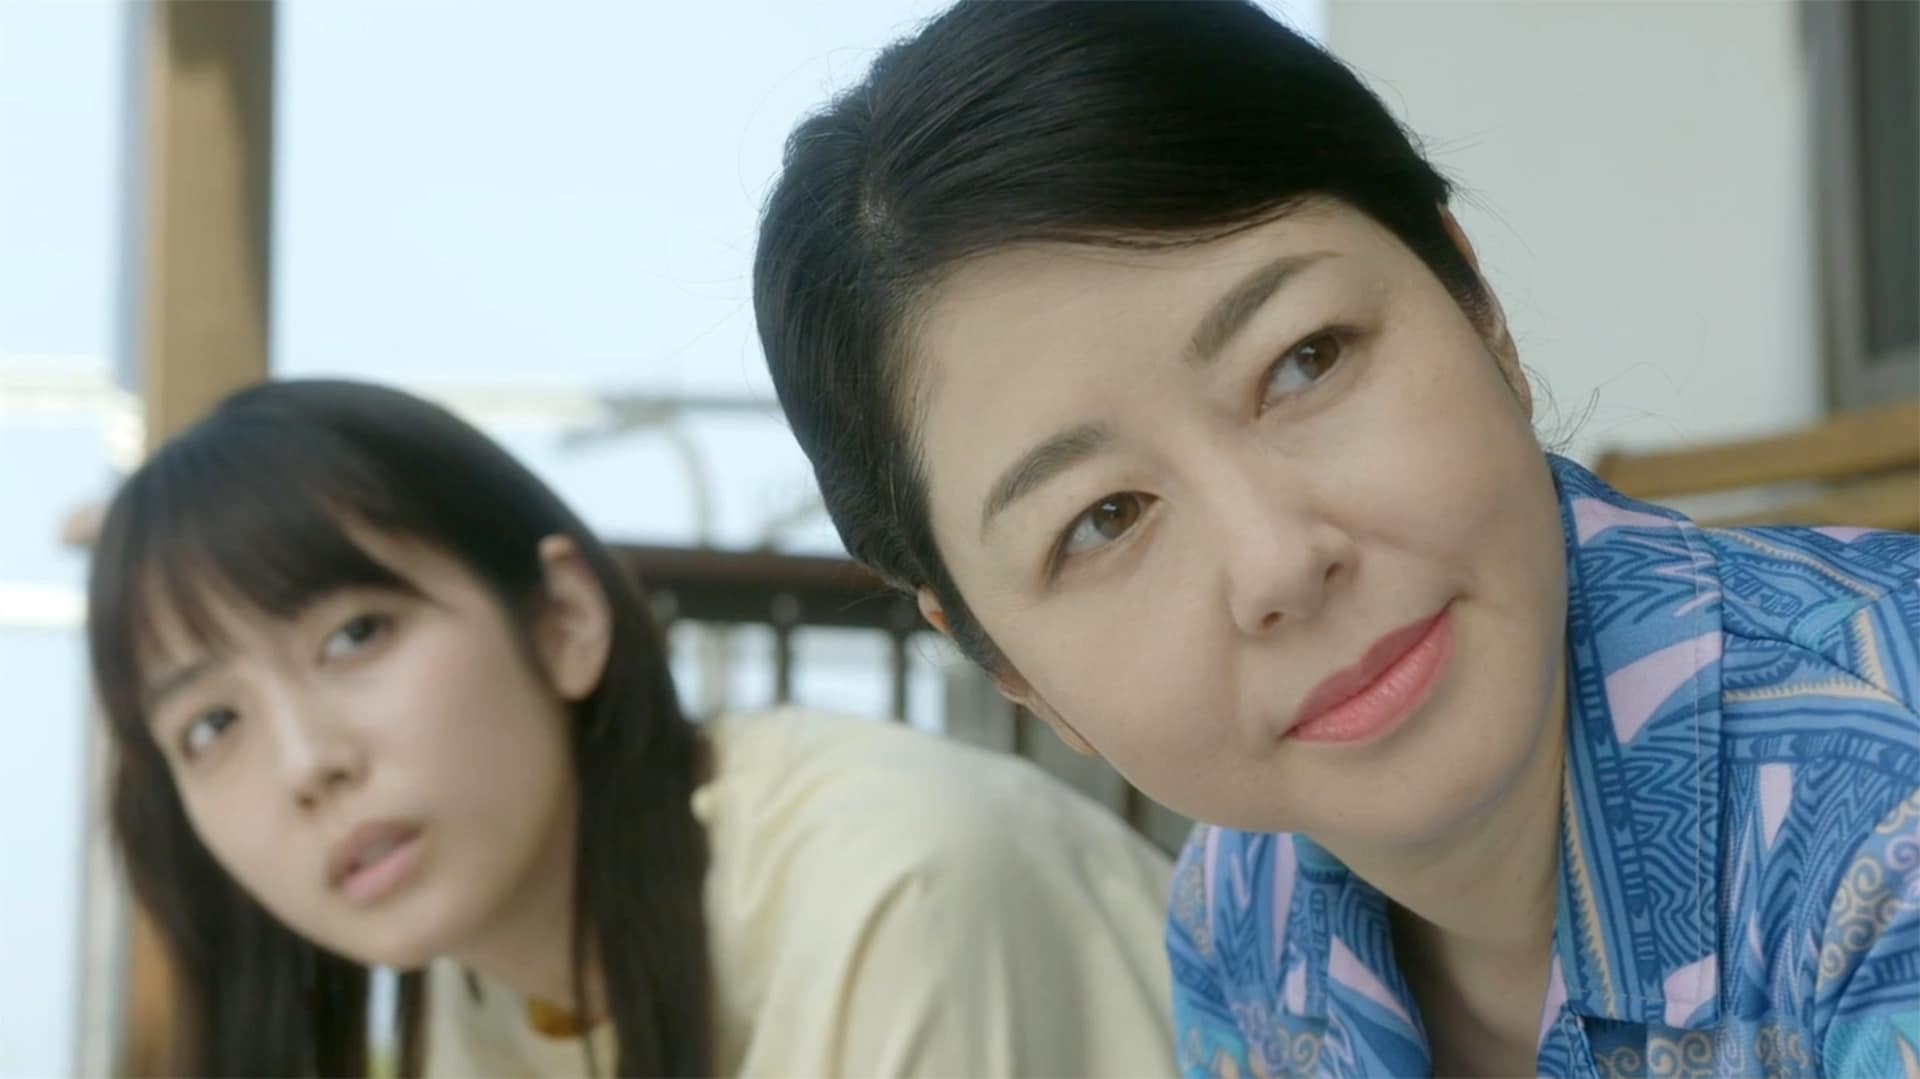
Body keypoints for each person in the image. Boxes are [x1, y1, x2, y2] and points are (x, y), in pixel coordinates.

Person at [751, 2, 1920, 1074]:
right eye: (1105, 518)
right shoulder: (1243, 918)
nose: (1277, 561)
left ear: (1478, 309)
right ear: (1012, 668)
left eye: (1305, 361)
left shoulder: (1889, 806)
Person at [85, 378, 1177, 1077]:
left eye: (354, 634)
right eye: (211, 722)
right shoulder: (480, 992)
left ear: (562, 619)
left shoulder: (899, 881)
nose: (306, 762)